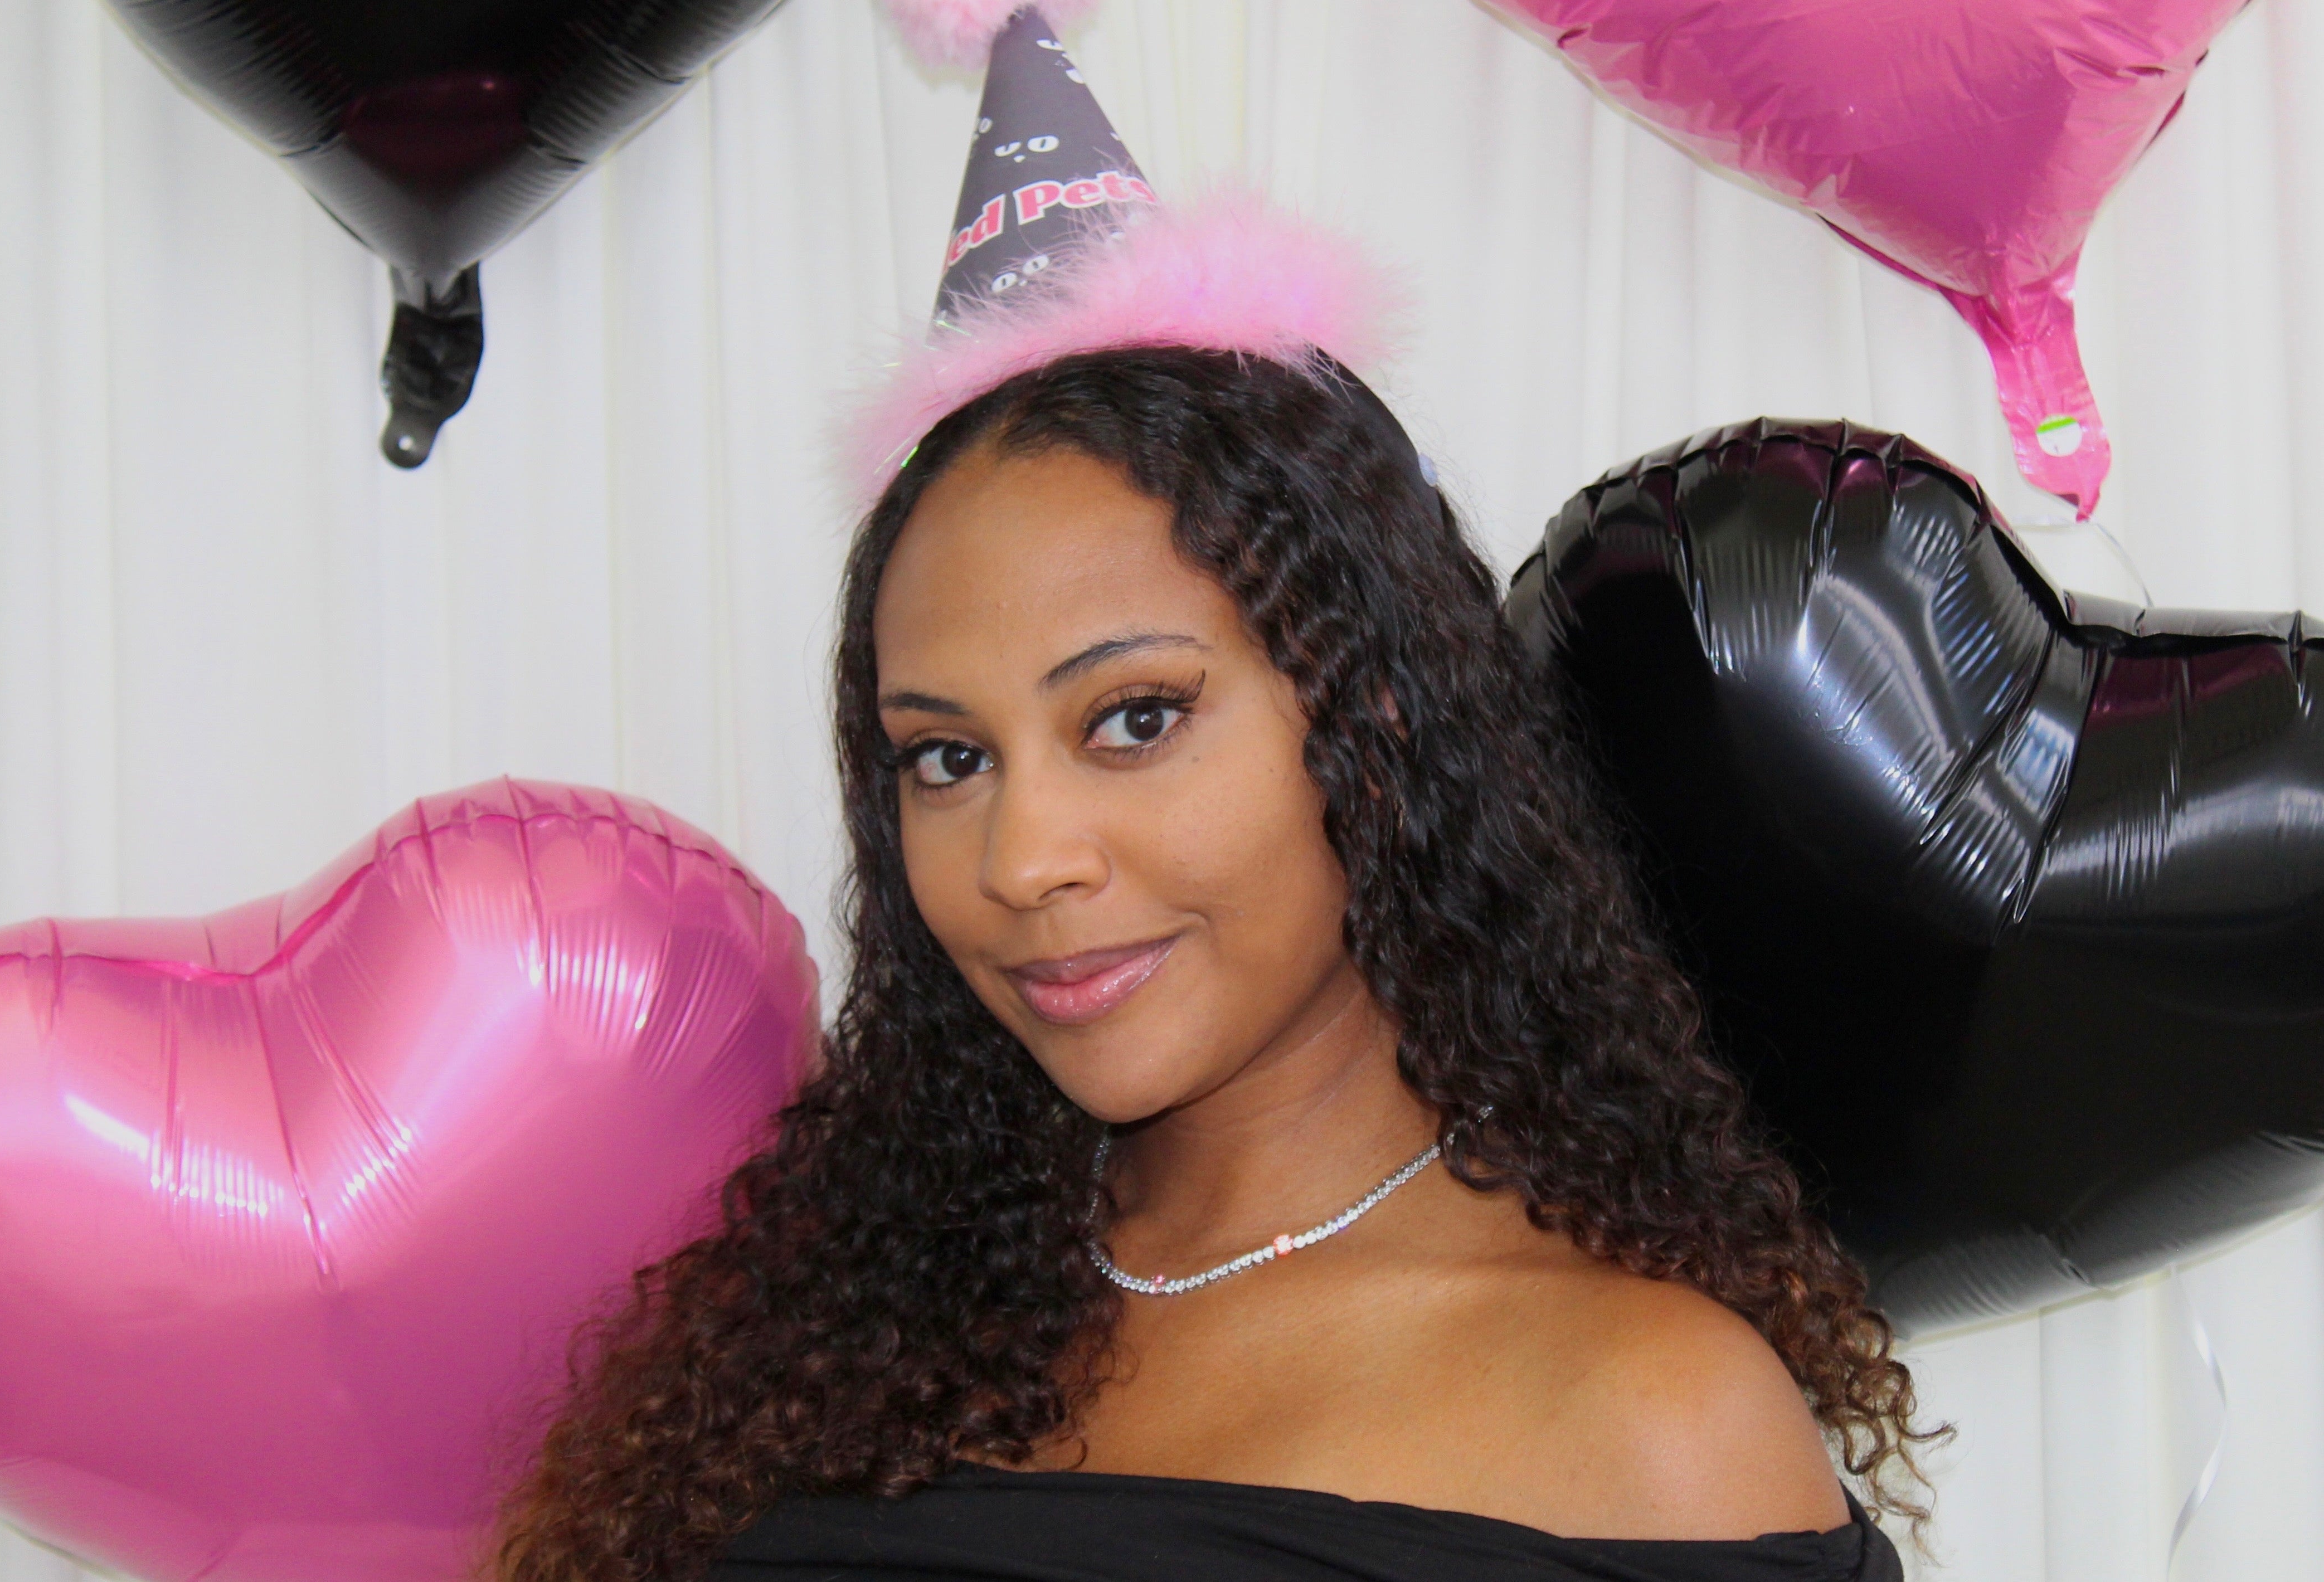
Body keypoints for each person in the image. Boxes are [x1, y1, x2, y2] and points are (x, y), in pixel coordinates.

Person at [497, 11, 1934, 1581]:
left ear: (1368, 717)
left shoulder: (1651, 1421)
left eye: (1133, 719)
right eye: (947, 758)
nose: (1024, 860)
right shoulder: (826, 1346)